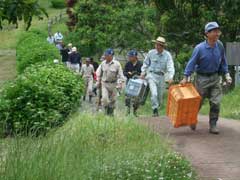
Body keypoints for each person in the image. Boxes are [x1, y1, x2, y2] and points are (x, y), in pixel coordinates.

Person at [181, 22, 232, 134]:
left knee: (216, 102)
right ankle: (192, 119)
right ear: (207, 33)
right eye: (214, 31)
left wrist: (227, 75)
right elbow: (191, 63)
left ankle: (213, 124)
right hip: (201, 78)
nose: (216, 33)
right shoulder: (199, 48)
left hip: (214, 77)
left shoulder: (220, 45)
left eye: (217, 31)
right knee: (198, 101)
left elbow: (223, 61)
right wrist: (186, 77)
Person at [140, 36, 175, 117]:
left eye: (159, 45)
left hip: (161, 77)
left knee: (159, 97)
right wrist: (143, 72)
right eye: (156, 44)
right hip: (151, 75)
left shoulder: (167, 55)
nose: (157, 46)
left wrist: (171, 77)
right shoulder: (151, 53)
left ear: (162, 46)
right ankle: (154, 110)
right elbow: (145, 63)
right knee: (154, 93)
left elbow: (170, 66)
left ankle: (157, 106)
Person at [96, 48, 125, 115]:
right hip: (105, 84)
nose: (105, 57)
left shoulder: (117, 64)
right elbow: (99, 74)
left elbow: (121, 75)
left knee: (113, 100)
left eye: (106, 55)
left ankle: (110, 113)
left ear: (111, 56)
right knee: (105, 99)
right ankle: (106, 109)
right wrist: (98, 82)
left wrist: (121, 83)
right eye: (105, 55)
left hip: (114, 84)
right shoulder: (103, 63)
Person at [123, 50, 143, 116]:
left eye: (131, 56)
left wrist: (138, 75)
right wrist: (128, 73)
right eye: (129, 56)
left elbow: (143, 73)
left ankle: (135, 111)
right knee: (128, 97)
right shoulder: (128, 64)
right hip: (129, 82)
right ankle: (128, 110)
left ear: (135, 57)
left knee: (137, 98)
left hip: (138, 83)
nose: (129, 58)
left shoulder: (140, 64)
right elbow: (124, 72)